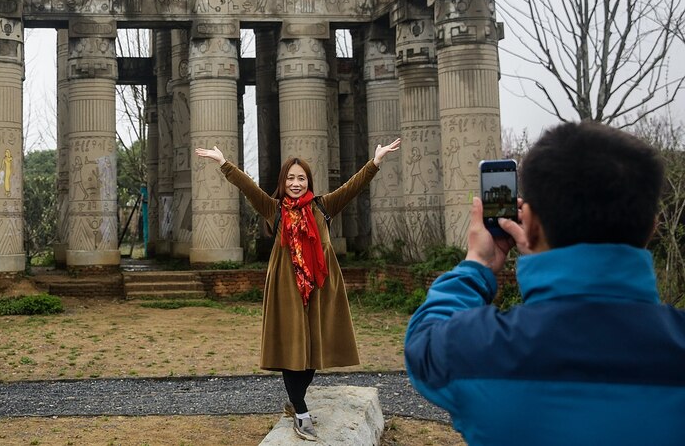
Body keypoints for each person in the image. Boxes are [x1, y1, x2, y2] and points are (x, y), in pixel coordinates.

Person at [404, 121, 685, 445]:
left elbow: (422, 339)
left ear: (530, 222)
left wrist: (476, 266)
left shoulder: (477, 349)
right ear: (652, 228)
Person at [196, 138, 401, 441]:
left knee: (313, 352)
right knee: (292, 350)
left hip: (319, 289)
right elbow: (248, 188)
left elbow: (353, 187)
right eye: (290, 178)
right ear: (283, 182)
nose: (295, 182)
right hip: (286, 290)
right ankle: (301, 412)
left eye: (301, 178)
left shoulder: (323, 206)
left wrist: (375, 163)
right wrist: (224, 163)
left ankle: (295, 402)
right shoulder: (274, 208)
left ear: (308, 181)